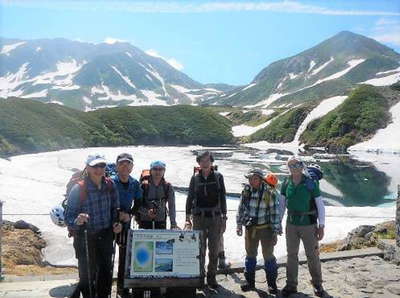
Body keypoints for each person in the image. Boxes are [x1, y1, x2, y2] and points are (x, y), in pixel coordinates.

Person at [65, 153, 122, 298]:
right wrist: (77, 221)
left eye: (102, 165)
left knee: (105, 271)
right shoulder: (79, 189)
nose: (99, 169)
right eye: (95, 166)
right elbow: (68, 217)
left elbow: (115, 209)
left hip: (105, 235)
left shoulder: (110, 185)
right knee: (87, 275)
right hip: (85, 237)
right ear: (88, 168)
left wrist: (116, 223)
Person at [280, 156, 326, 297]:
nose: (294, 168)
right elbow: (282, 205)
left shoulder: (310, 182)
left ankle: (317, 284)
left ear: (301, 165)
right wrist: (278, 223)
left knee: (312, 255)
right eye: (291, 166)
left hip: (308, 224)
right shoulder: (286, 182)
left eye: (296, 165)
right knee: (291, 255)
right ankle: (291, 284)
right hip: (291, 223)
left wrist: (321, 226)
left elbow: (320, 205)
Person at [184, 151, 227, 288]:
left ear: (211, 161)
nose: (205, 163)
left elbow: (223, 197)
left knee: (214, 249)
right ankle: (200, 277)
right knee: (199, 249)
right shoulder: (195, 178)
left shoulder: (219, 177)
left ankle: (211, 278)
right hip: (199, 218)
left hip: (215, 218)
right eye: (202, 160)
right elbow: (190, 197)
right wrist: (187, 217)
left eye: (207, 160)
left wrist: (224, 217)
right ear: (199, 163)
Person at [236, 169, 281, 293]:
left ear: (261, 179)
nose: (251, 181)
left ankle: (272, 284)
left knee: (268, 256)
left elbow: (275, 213)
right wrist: (239, 224)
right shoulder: (246, 191)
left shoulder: (269, 193)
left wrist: (275, 232)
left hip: (266, 229)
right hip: (250, 229)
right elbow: (241, 208)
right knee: (250, 255)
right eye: (250, 178)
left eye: (254, 178)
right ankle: (250, 283)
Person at [112, 153, 142, 298]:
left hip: (126, 223)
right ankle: (101, 286)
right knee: (105, 256)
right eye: (122, 163)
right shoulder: (110, 182)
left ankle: (122, 288)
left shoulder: (135, 183)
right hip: (108, 223)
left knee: (124, 257)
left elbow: (139, 202)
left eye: (127, 163)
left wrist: (129, 214)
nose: (125, 166)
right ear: (117, 166)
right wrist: (118, 214)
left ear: (131, 167)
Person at [135, 160, 178, 230]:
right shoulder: (144, 186)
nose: (157, 172)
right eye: (155, 169)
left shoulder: (167, 186)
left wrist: (173, 224)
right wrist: (146, 212)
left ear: (164, 171)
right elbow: (137, 205)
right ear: (151, 171)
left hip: (161, 220)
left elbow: (172, 206)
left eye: (160, 169)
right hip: (144, 220)